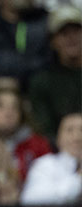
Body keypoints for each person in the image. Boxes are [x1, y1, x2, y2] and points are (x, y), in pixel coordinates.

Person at [21, 112, 82, 207]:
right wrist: (78, 180)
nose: (77, 136)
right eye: (70, 130)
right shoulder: (44, 165)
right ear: (58, 138)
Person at [28, 5, 82, 142]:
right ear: (52, 41)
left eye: (76, 31)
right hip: (57, 153)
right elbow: (44, 129)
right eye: (64, 33)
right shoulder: (42, 81)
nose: (71, 38)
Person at [0, 85, 52, 181]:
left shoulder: (38, 144)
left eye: (14, 107)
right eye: (0, 106)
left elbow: (49, 181)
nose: (8, 113)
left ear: (21, 113)